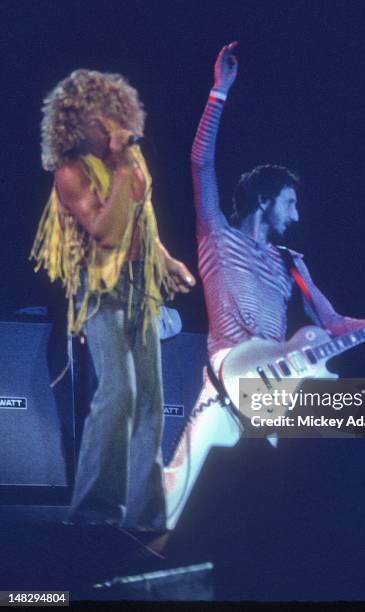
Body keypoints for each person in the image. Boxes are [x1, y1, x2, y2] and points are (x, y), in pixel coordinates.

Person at [163, 43, 365, 529]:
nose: (297, 215)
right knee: (170, 510)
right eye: (290, 203)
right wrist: (219, 91)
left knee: (316, 350)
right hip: (229, 365)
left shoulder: (291, 261)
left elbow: (336, 322)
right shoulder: (216, 235)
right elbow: (200, 165)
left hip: (275, 378)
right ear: (264, 201)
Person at [31, 69, 195, 532]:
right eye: (96, 115)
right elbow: (103, 229)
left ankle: (145, 512)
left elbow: (141, 219)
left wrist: (166, 261)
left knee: (150, 400)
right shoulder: (69, 171)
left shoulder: (131, 161)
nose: (107, 123)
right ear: (75, 120)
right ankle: (93, 507)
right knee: (119, 391)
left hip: (140, 284)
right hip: (99, 287)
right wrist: (123, 166)